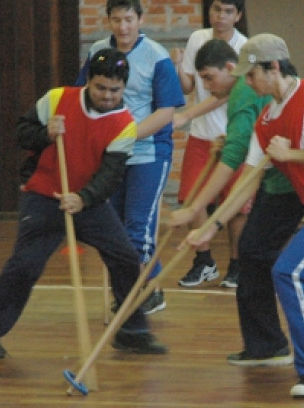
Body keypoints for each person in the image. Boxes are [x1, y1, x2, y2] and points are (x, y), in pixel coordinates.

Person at [187, 34, 304, 398]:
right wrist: (211, 226)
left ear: (273, 67)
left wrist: (291, 156)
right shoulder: (267, 117)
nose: (248, 82)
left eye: (252, 74)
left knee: (290, 269)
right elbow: (247, 182)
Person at [0, 49, 167, 360]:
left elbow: (110, 176)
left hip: (88, 200)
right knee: (26, 264)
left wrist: (83, 199)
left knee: (126, 258)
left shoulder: (124, 125)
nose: (107, 95)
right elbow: (22, 133)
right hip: (44, 195)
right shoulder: (58, 99)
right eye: (100, 87)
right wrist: (45, 133)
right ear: (89, 81)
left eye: (115, 90)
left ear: (123, 88)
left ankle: (132, 331)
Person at [167, 38, 300, 367]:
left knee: (260, 253)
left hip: (291, 182)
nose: (208, 87)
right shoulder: (249, 92)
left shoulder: (242, 93)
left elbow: (235, 160)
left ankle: (274, 344)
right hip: (285, 178)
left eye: (209, 78)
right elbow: (247, 146)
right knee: (263, 253)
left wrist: (198, 210)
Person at [76, 0, 185, 315]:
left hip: (148, 152)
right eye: (116, 20)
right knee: (117, 228)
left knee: (138, 227)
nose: (123, 27)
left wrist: (128, 135)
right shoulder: (98, 51)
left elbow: (166, 111)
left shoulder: (156, 56)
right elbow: (82, 92)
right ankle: (147, 284)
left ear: (140, 20)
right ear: (108, 21)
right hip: (110, 155)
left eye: (128, 19)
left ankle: (137, 296)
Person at [171, 0, 247, 288]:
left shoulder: (245, 49)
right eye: (216, 10)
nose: (221, 17)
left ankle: (238, 264)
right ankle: (204, 262)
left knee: (238, 205)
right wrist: (179, 67)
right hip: (202, 137)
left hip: (233, 136)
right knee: (192, 198)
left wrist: (186, 115)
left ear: (238, 16)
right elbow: (189, 86)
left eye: (228, 11)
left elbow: (227, 94)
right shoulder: (198, 39)